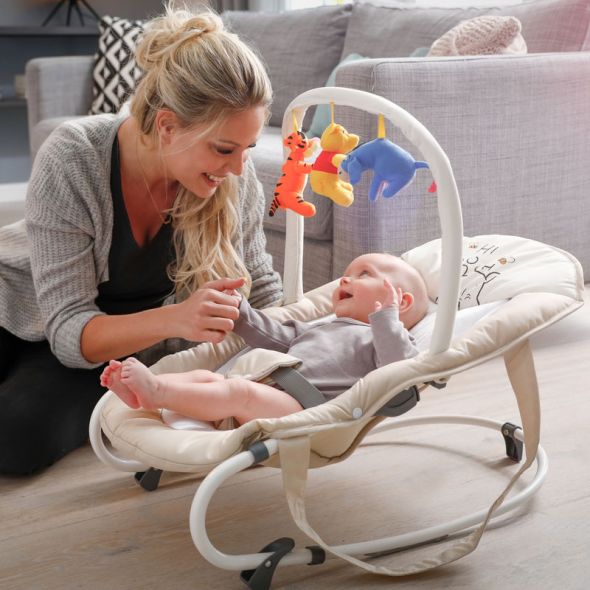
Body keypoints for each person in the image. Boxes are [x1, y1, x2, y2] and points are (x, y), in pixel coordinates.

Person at [0, 6, 282, 475]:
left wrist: (310, 343)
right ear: (167, 126)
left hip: (106, 346)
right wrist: (178, 318)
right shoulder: (74, 157)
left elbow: (262, 285)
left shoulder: (232, 177)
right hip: (22, 307)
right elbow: (67, 325)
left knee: (16, 439)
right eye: (224, 149)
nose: (238, 167)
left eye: (248, 149)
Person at [101, 253, 429, 426]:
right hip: (267, 389)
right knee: (208, 377)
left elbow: (398, 370)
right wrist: (241, 313)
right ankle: (144, 393)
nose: (345, 279)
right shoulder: (322, 327)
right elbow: (275, 337)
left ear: (400, 302)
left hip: (307, 409)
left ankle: (156, 393)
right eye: (348, 272)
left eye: (365, 274)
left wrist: (386, 318)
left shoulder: (382, 340)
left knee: (239, 391)